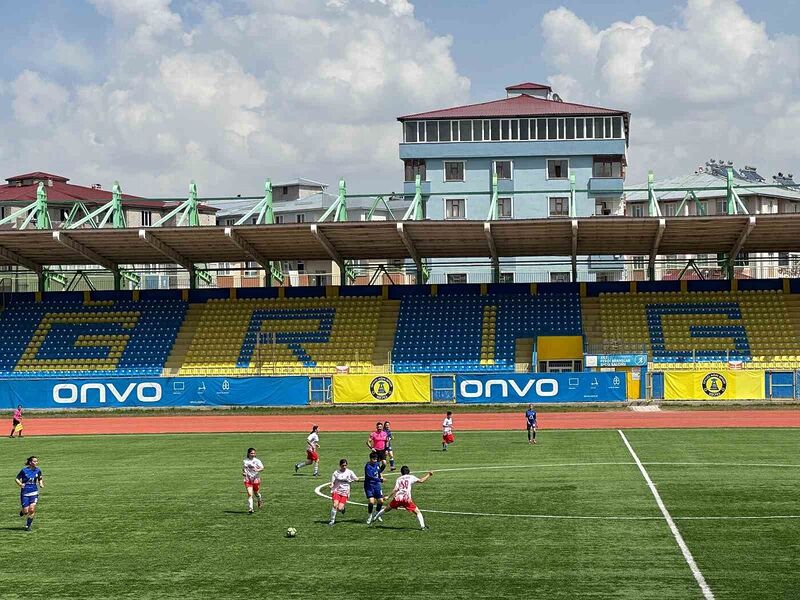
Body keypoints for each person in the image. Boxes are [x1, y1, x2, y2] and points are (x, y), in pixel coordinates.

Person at [370, 465, 432, 530]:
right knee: (417, 512)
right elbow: (421, 480)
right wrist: (429, 474)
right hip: (406, 499)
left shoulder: (399, 479)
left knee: (386, 509)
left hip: (398, 498)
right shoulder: (411, 477)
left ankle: (374, 519)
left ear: (401, 472)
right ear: (409, 471)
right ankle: (423, 526)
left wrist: (388, 496)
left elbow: (395, 489)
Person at [16, 456, 43, 531]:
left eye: (36, 461)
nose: (36, 463)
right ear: (30, 462)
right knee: (26, 511)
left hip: (34, 492)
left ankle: (28, 526)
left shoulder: (38, 470)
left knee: (32, 509)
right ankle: (22, 511)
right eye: (34, 461)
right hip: (25, 493)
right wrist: (21, 484)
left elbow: (40, 477)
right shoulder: (24, 470)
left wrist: (41, 483)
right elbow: (17, 478)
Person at [328, 458, 358, 526]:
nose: (344, 467)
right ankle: (332, 520)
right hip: (336, 491)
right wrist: (331, 485)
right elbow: (332, 482)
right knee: (335, 505)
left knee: (339, 508)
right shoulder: (336, 473)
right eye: (342, 465)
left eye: (345, 465)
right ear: (340, 465)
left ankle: (342, 509)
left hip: (345, 492)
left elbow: (356, 478)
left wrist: (352, 480)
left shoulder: (349, 472)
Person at [364, 452, 385, 524]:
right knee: (371, 502)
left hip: (377, 486)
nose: (375, 460)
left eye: (376, 459)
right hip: (369, 486)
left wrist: (383, 467)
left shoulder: (377, 464)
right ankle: (370, 516)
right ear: (370, 459)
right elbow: (370, 477)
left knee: (381, 501)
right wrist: (380, 480)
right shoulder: (367, 466)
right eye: (374, 459)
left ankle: (376, 514)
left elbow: (378, 471)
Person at [242, 447, 264, 514]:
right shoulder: (245, 461)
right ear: (248, 453)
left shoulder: (257, 461)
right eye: (251, 453)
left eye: (254, 453)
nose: (253, 454)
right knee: (249, 494)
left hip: (255, 479)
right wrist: (244, 473)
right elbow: (244, 469)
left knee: (256, 493)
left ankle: (259, 499)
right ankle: (251, 508)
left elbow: (262, 468)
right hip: (248, 479)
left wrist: (257, 470)